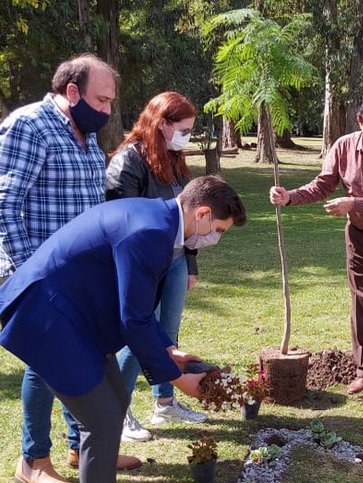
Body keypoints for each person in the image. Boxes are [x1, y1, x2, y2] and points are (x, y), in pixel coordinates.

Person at [0, 175, 247, 483]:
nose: (215, 238)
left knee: (115, 403)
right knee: (101, 420)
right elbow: (134, 320)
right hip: (47, 317)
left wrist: (169, 351)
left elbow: (136, 309)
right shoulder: (151, 232)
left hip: (76, 318)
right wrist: (178, 378)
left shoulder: (160, 221)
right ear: (203, 214)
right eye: (219, 230)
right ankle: (36, 465)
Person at [0, 53, 141, 482]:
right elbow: (5, 204)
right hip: (41, 281)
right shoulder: (29, 125)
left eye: (111, 102)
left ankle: (88, 449)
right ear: (72, 91)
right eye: (101, 101)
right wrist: (29, 277)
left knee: (82, 359)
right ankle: (33, 461)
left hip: (77, 281)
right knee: (45, 368)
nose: (107, 111)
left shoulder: (87, 136)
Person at [270, 92, 363, 394]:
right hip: (359, 239)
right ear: (359, 122)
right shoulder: (343, 147)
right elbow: (324, 183)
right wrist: (290, 197)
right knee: (362, 303)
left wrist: (354, 203)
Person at [106, 92, 208, 444]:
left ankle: (165, 401)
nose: (187, 136)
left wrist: (190, 262)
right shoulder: (128, 162)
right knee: (137, 338)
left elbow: (190, 213)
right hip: (144, 263)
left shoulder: (176, 158)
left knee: (169, 335)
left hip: (176, 259)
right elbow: (122, 222)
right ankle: (117, 413)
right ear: (161, 123)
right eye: (183, 129)